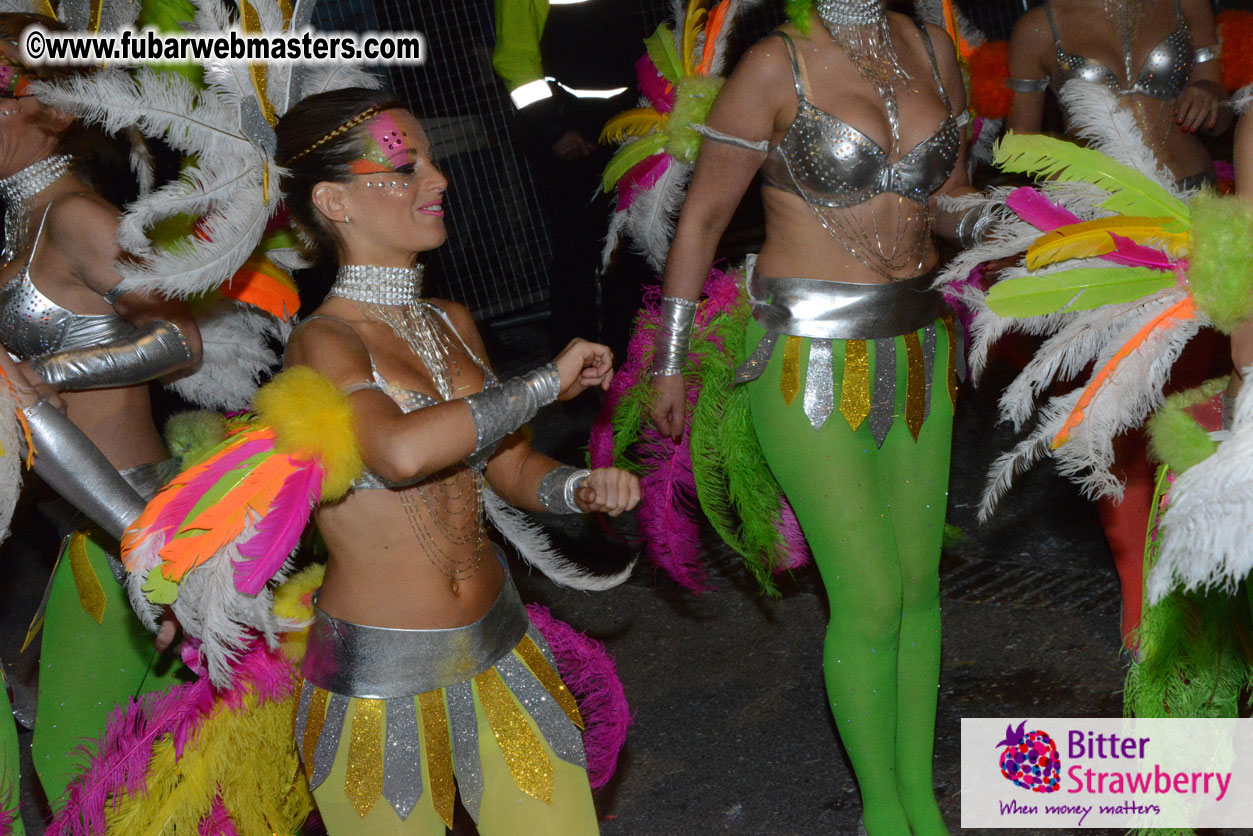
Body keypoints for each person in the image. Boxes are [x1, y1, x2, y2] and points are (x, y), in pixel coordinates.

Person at [275, 87, 640, 835]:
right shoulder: (323, 343)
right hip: (377, 687)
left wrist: (579, 489)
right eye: (405, 167)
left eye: (433, 162)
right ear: (333, 202)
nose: (437, 181)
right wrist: (543, 381)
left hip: (500, 648)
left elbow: (505, 469)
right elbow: (401, 452)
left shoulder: (452, 321)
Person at [646, 1, 974, 833]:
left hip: (921, 348)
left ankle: (919, 805)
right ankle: (881, 810)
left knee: (916, 590)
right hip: (803, 359)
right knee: (866, 598)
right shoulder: (772, 65)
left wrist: (1025, 227)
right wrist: (671, 358)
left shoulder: (934, 46)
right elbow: (704, 219)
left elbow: (950, 199)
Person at [0, 12, 203, 808]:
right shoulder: (17, 224)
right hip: (72, 530)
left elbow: (181, 340)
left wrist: (48, 367)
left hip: (133, 511)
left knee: (83, 753)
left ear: (51, 109)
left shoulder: (82, 217)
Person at [1006, 0, 1228, 646]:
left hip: (1194, 225)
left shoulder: (1186, 4)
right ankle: (1140, 617)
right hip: (1108, 248)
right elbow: (1019, 151)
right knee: (1117, 425)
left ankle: (1193, 596)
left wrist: (1208, 98)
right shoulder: (1036, 30)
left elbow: (1216, 88)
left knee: (1188, 415)